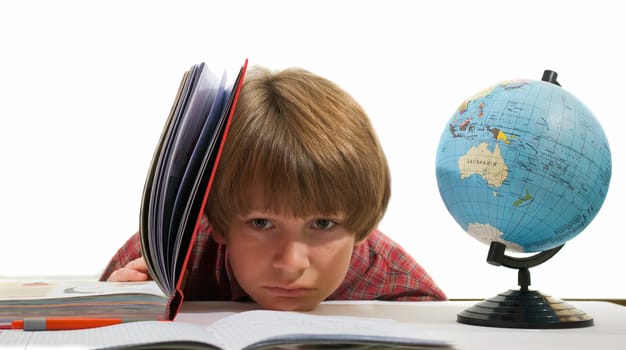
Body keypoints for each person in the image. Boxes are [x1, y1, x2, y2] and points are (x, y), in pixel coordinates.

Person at [101, 65, 446, 311]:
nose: (292, 264)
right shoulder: (164, 253)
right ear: (218, 223)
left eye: (322, 223)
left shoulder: (397, 288)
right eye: (261, 223)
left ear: (363, 227)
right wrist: (119, 307)